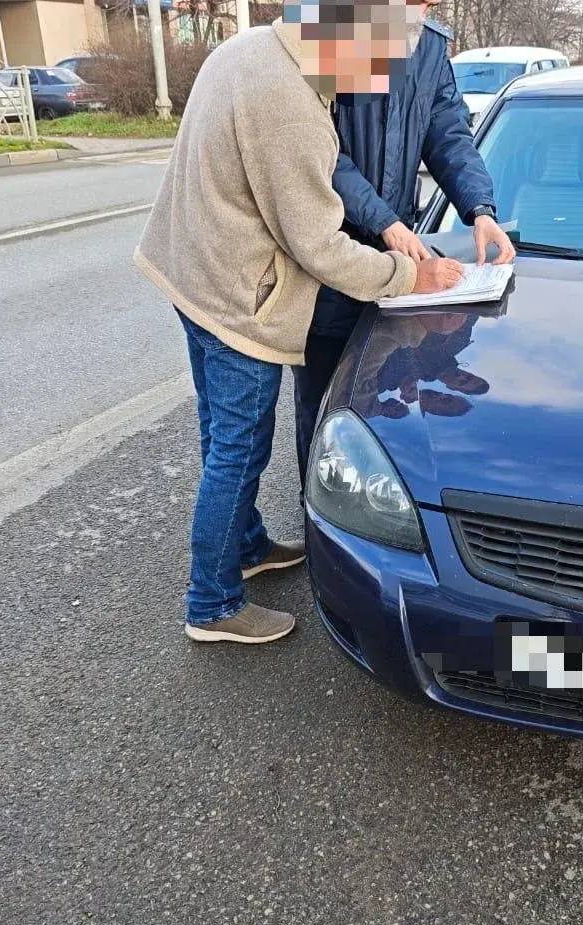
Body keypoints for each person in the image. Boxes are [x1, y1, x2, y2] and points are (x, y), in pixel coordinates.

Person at [134, 0, 464, 646]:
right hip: (238, 300)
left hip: (191, 272)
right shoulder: (290, 104)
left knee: (217, 432)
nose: (372, 83)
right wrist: (409, 277)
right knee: (239, 448)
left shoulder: (251, 48)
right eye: (374, 64)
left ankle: (247, 544)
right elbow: (320, 246)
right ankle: (213, 602)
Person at [292, 0, 515, 485]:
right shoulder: (328, 32)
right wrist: (383, 219)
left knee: (387, 398)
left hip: (400, 261)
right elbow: (318, 152)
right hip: (330, 256)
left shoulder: (429, 45)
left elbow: (449, 136)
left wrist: (480, 209)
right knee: (325, 400)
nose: (423, 10)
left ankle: (375, 512)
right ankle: (320, 515)